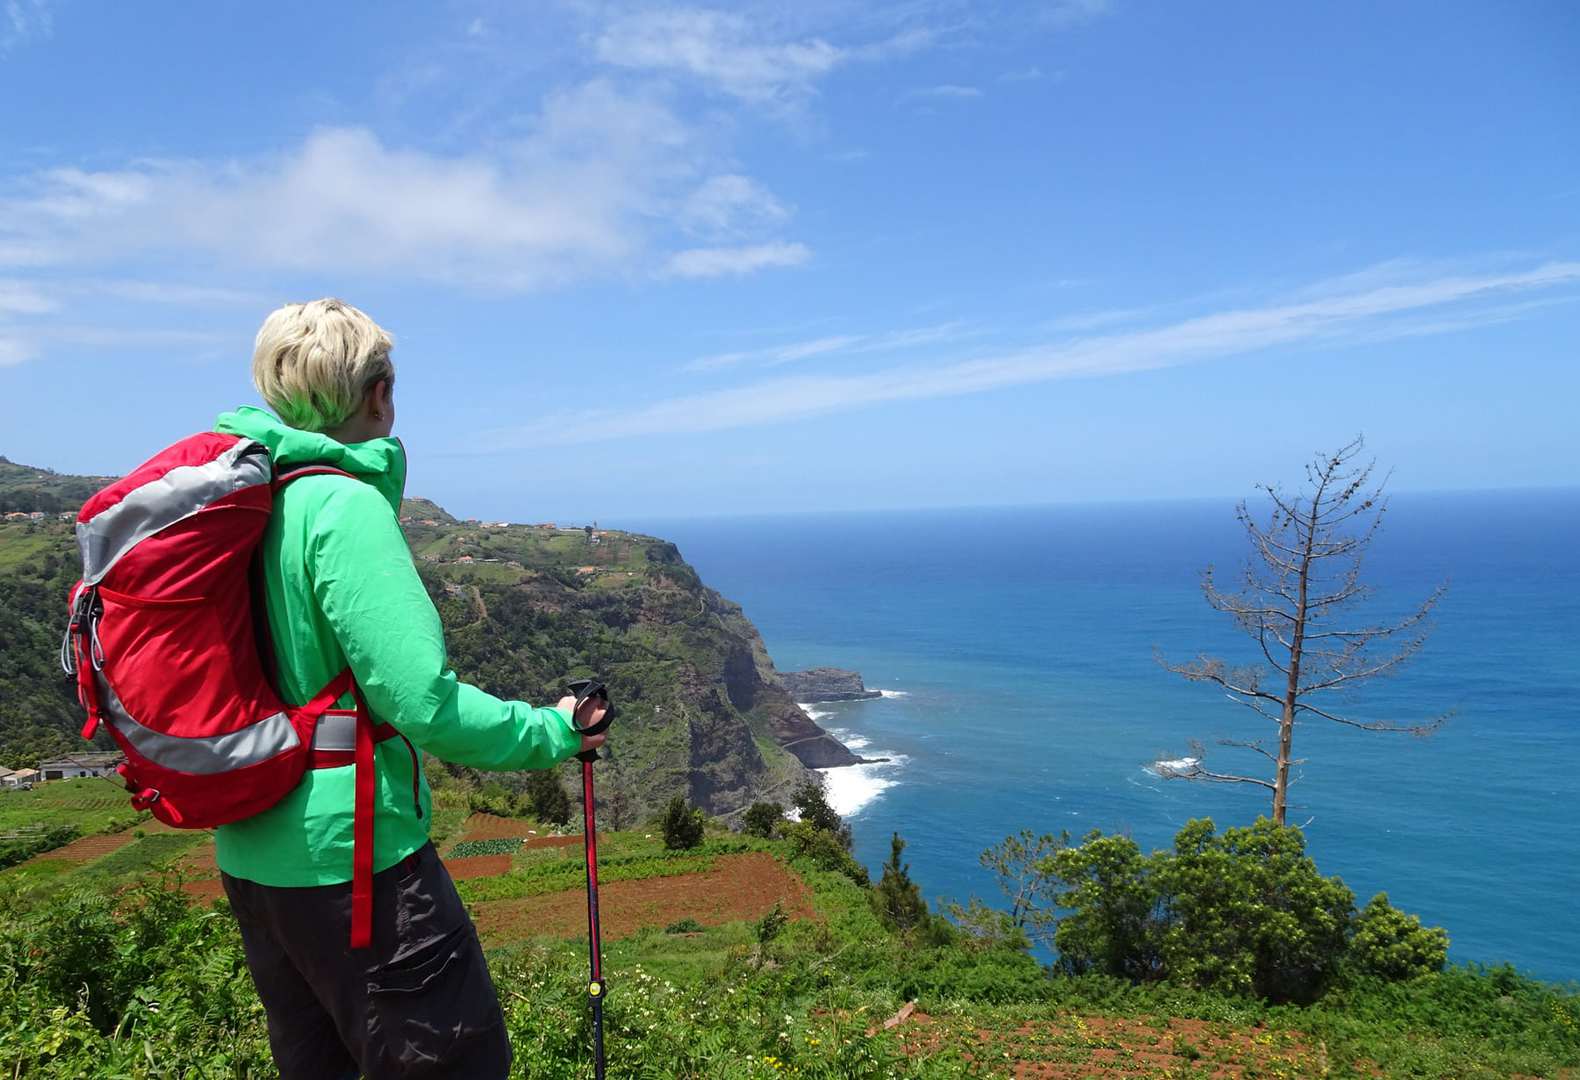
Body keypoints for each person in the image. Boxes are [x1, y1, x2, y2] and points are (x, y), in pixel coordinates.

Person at [213, 298, 606, 1079]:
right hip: (356, 863)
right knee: (455, 1062)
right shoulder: (342, 507)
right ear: (379, 392)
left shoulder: (246, 502)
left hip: (253, 851)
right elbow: (421, 702)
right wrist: (554, 730)